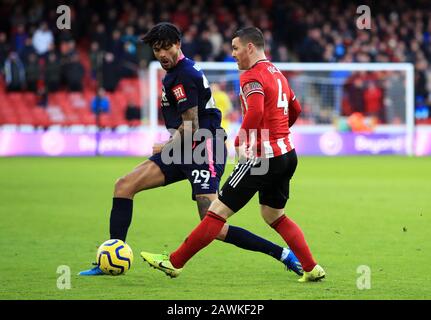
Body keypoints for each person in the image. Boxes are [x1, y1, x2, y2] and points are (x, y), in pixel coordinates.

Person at [79, 23, 302, 276]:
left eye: (166, 48)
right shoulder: (175, 73)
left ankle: (282, 254)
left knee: (214, 224)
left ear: (178, 44)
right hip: (184, 147)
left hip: (204, 146)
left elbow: (192, 128)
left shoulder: (183, 75)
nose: (161, 54)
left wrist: (165, 146)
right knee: (124, 185)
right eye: (156, 49)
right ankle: (111, 258)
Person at [140, 27, 325, 282]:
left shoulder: (252, 76)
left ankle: (173, 262)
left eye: (236, 48)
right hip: (287, 154)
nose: (233, 54)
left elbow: (256, 111)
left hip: (261, 158)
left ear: (250, 47)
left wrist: (241, 141)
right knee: (273, 215)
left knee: (216, 212)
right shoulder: (277, 73)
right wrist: (278, 132)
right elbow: (295, 108)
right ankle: (311, 267)